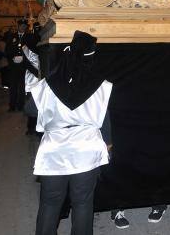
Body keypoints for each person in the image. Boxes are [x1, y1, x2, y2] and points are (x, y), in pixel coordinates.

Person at [33, 31, 112, 235]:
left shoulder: (49, 83)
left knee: (50, 203)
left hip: (54, 150)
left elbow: (29, 109)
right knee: (83, 203)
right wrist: (108, 145)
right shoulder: (100, 85)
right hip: (86, 148)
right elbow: (105, 120)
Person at [6, 20, 29, 112]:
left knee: (22, 87)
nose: (23, 27)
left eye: (24, 26)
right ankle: (12, 106)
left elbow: (32, 51)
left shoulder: (29, 37)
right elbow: (7, 50)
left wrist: (24, 58)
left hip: (24, 66)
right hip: (14, 66)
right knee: (13, 87)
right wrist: (12, 58)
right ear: (18, 26)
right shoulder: (11, 36)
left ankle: (21, 105)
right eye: (21, 26)